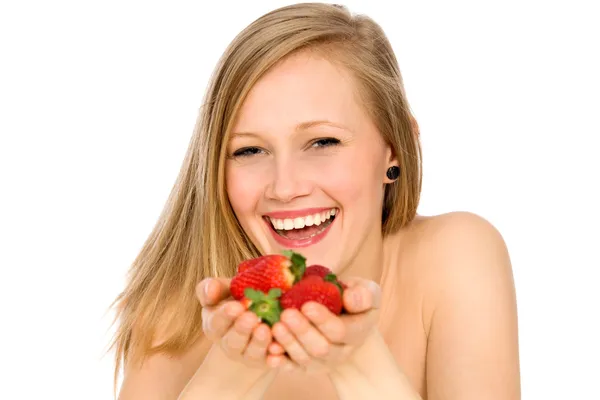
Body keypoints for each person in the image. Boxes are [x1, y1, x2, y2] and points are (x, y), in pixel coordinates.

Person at [109, 3, 520, 399]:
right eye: (250, 151)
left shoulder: (456, 257)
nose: (285, 187)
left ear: (394, 149)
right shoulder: (171, 313)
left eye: (323, 142)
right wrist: (233, 370)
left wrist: (359, 361)